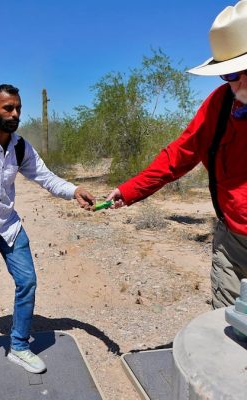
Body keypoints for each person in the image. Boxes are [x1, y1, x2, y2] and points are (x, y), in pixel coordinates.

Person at [0, 84, 95, 377]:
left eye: (18, 108)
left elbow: (45, 177)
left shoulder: (19, 146)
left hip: (8, 225)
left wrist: (74, 190)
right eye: (8, 108)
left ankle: (20, 346)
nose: (15, 113)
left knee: (28, 282)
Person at [106, 1, 247, 310]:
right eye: (228, 75)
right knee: (224, 325)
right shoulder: (220, 106)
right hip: (232, 241)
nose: (235, 83)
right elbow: (178, 155)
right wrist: (129, 190)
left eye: (240, 72)